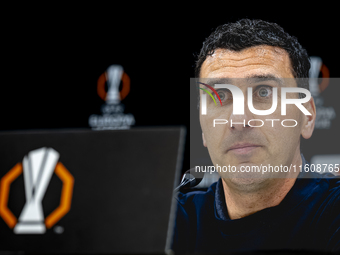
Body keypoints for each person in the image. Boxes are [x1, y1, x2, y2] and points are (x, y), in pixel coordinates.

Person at [172, 19, 340, 253]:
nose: (239, 120)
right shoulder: (171, 223)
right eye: (220, 95)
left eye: (263, 92)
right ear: (202, 127)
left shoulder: (333, 211)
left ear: (308, 117)